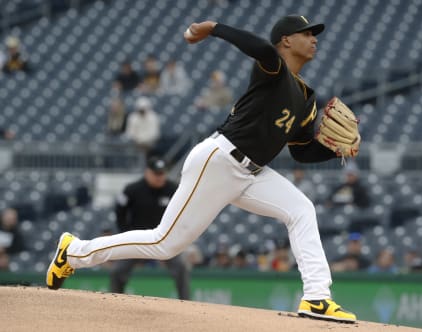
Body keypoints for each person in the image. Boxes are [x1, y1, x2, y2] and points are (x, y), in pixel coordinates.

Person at [46, 15, 357, 323]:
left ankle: (317, 297)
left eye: (314, 34)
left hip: (253, 173)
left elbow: (301, 152)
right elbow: (261, 49)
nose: (314, 38)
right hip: (219, 161)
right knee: (163, 243)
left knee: (302, 209)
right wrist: (215, 29)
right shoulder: (273, 70)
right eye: (306, 33)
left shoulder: (308, 99)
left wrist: (331, 150)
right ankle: (74, 251)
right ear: (286, 40)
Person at [110, 156, 190, 299]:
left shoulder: (174, 190)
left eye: (162, 173)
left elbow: (184, 214)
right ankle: (115, 300)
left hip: (164, 240)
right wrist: (126, 233)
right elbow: (119, 211)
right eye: (156, 173)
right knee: (118, 271)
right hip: (137, 240)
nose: (160, 177)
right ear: (147, 172)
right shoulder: (132, 190)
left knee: (181, 268)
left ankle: (186, 303)